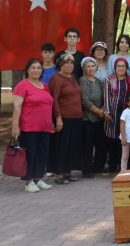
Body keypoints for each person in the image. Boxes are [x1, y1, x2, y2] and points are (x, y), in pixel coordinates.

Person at [11, 58, 54, 193]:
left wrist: (51, 121)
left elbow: (48, 105)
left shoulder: (44, 85)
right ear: (28, 70)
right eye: (33, 68)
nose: (36, 70)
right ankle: (28, 181)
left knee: (42, 153)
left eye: (39, 68)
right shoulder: (22, 85)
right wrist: (15, 126)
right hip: (29, 127)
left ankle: (38, 178)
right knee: (30, 154)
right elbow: (17, 107)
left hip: (45, 127)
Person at [48, 54, 83, 184]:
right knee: (61, 146)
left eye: (71, 63)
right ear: (60, 65)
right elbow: (54, 99)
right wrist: (58, 118)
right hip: (64, 117)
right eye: (66, 63)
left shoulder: (73, 77)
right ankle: (59, 174)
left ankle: (68, 172)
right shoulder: (56, 78)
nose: (69, 65)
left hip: (76, 118)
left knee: (72, 146)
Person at [78, 57, 107, 178]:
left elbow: (105, 96)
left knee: (101, 144)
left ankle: (98, 166)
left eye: (92, 66)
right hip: (88, 118)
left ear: (96, 68)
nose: (90, 68)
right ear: (84, 69)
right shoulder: (82, 80)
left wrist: (103, 110)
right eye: (88, 66)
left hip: (100, 118)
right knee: (88, 145)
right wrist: (98, 111)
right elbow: (84, 100)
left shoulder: (99, 81)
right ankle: (87, 169)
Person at [103, 58, 130, 174]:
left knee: (123, 139)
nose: (121, 68)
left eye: (123, 66)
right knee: (111, 140)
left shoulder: (128, 80)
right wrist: (106, 112)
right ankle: (111, 164)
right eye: (118, 66)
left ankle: (122, 165)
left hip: (125, 115)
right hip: (112, 114)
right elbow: (106, 96)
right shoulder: (109, 79)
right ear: (115, 67)